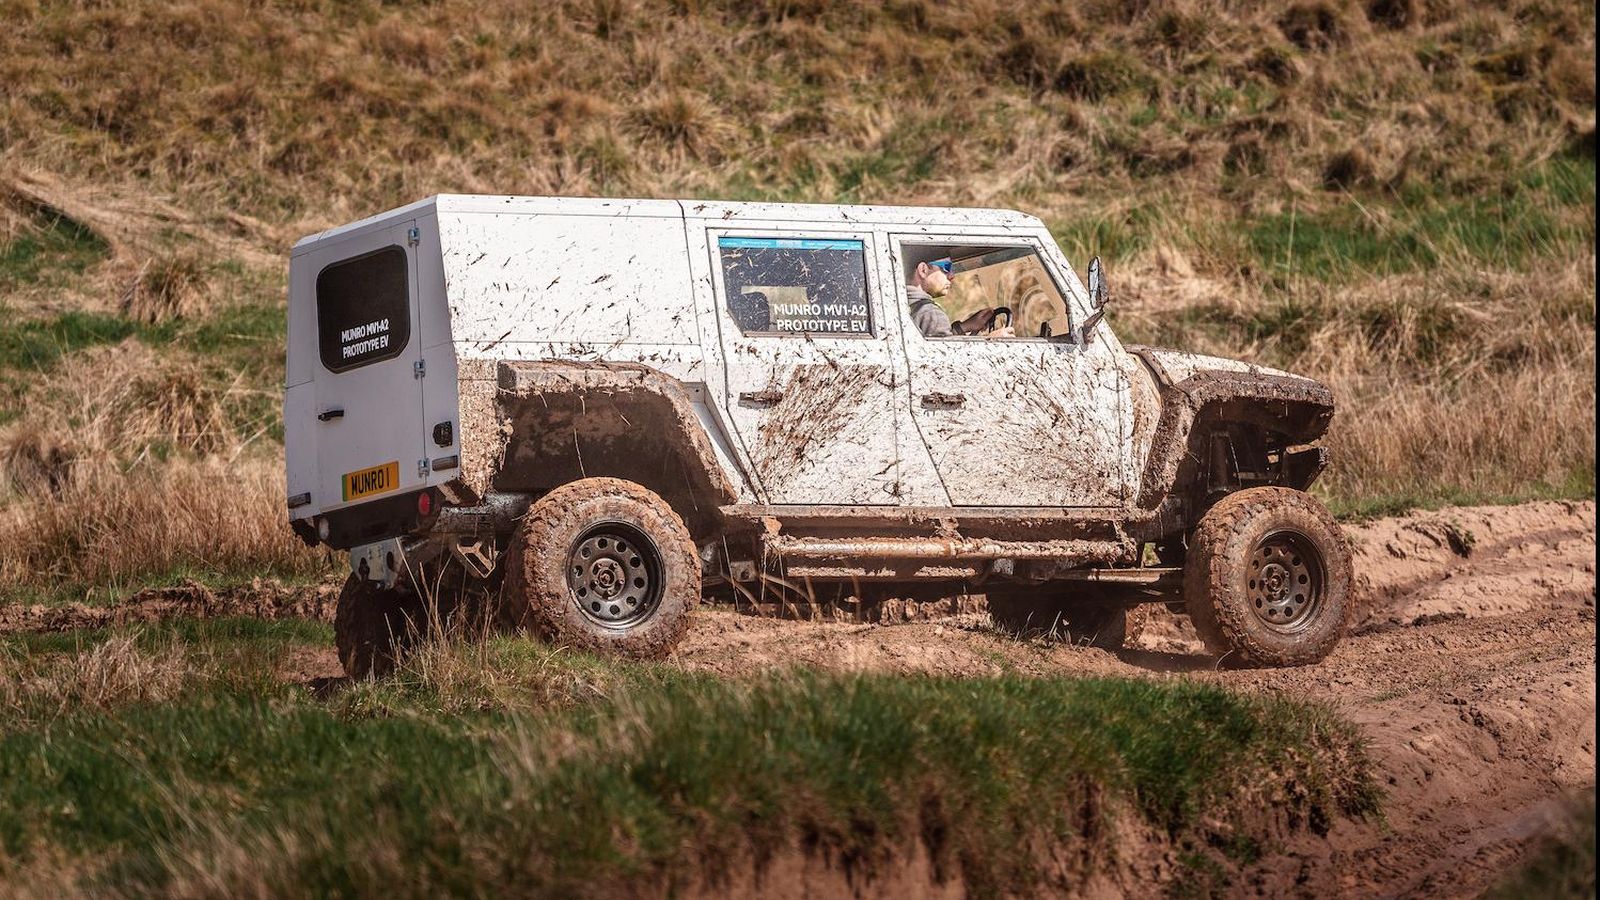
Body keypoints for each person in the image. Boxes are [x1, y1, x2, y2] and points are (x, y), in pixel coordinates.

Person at [906, 257, 1014, 338]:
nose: (952, 276)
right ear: (923, 270)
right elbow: (948, 363)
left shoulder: (906, 306)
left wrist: (962, 327)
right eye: (946, 268)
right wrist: (991, 342)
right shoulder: (930, 313)